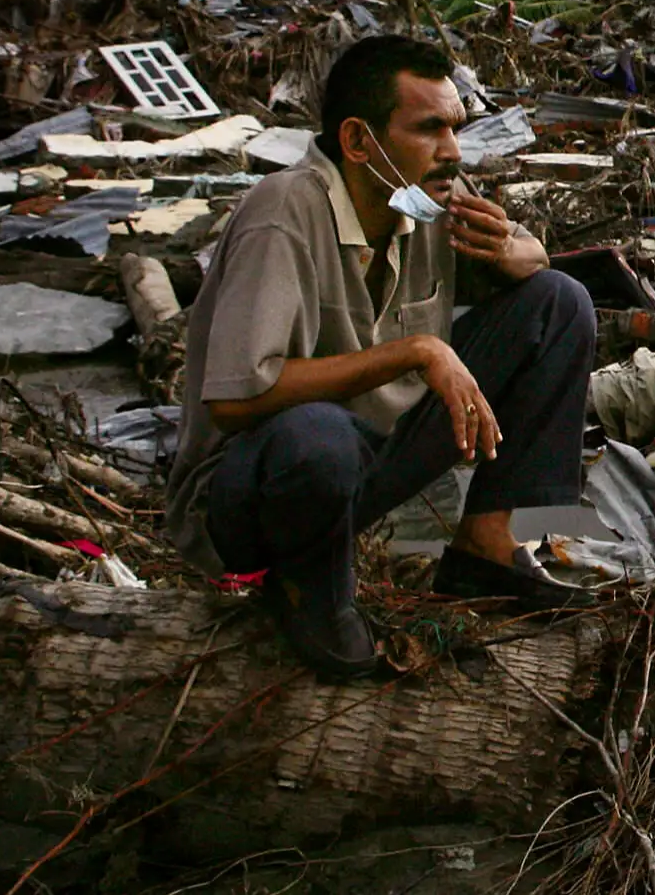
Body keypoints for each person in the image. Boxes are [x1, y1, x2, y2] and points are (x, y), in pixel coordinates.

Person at [164, 35, 598, 679]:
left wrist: (515, 252)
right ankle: (308, 590)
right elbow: (235, 399)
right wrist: (417, 351)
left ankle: (487, 545)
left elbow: (534, 266)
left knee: (560, 302)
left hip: (366, 465)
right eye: (429, 129)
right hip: (254, 494)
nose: (452, 150)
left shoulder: (419, 199)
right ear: (359, 142)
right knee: (317, 430)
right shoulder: (284, 211)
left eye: (456, 127)